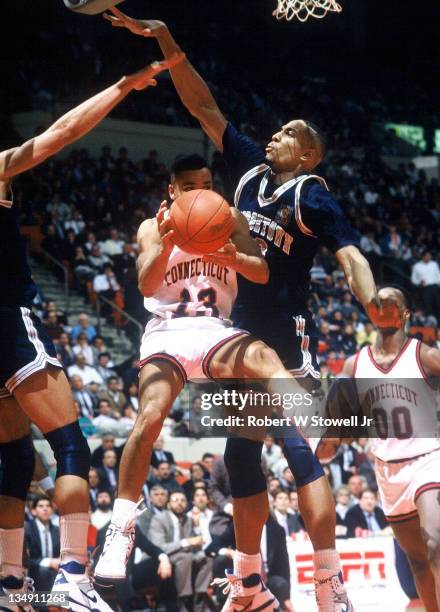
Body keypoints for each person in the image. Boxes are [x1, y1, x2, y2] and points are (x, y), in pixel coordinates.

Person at [104, 8, 402, 611]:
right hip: (233, 329)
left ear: (309, 153)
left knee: (293, 447)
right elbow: (203, 107)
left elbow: (348, 255)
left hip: (286, 333)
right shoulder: (245, 171)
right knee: (241, 452)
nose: (276, 134)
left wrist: (370, 298)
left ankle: (328, 578)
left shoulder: (311, 194)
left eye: (290, 132)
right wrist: (169, 41)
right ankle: (249, 582)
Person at [0, 53, 183, 612]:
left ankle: (9, 585)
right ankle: (73, 576)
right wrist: (124, 86)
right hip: (7, 318)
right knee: (70, 447)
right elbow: (60, 133)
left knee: (13, 459)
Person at [95, 153, 301, 612]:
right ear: (173, 189)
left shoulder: (227, 219)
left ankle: (317, 423)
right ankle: (121, 528)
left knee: (265, 356)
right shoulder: (154, 225)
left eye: (206, 182)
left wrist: (234, 254)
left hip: (216, 331)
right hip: (168, 331)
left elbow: (262, 272)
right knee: (149, 416)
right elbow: (148, 285)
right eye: (189, 184)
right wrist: (169, 242)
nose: (200, 190)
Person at [319, 286, 440, 610]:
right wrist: (327, 444)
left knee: (436, 542)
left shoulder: (423, 355)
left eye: (393, 301)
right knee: (417, 561)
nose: (385, 304)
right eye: (378, 301)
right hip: (387, 470)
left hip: (427, 461)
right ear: (370, 312)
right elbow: (336, 426)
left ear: (405, 314)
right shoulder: (353, 366)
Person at [24, 496, 61, 592]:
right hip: (32, 570)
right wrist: (49, 562)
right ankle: (43, 605)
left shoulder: (57, 530)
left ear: (52, 510)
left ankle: (59, 603)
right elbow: (25, 560)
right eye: (41, 506)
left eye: (48, 506)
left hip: (55, 569)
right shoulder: (27, 529)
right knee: (44, 571)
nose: (45, 509)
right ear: (34, 511)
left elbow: (60, 554)